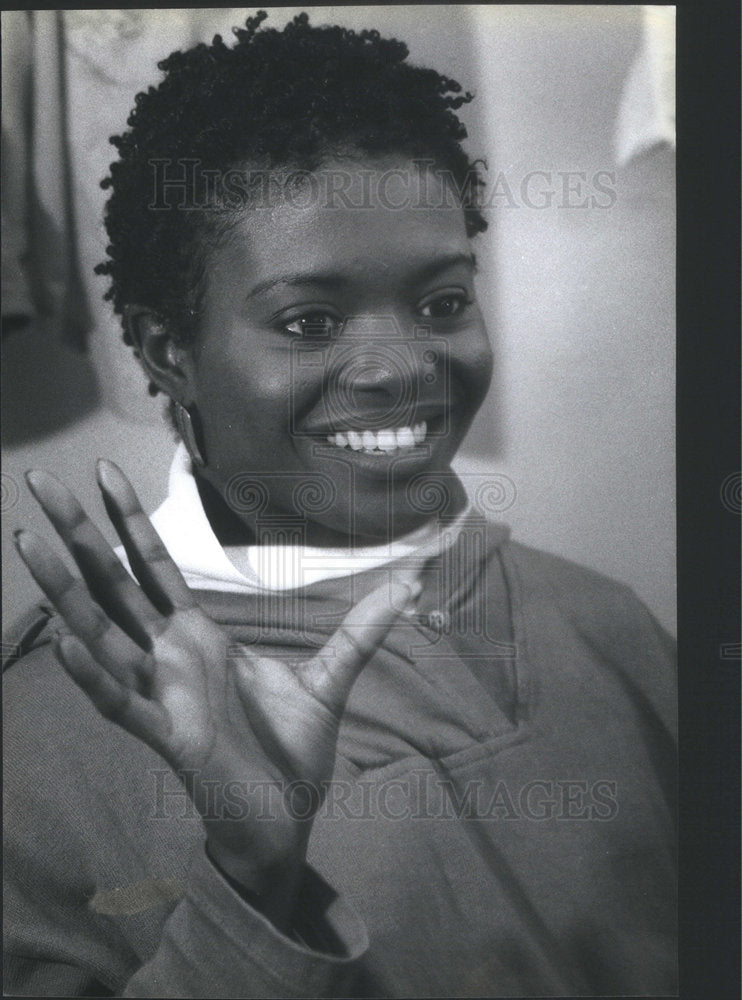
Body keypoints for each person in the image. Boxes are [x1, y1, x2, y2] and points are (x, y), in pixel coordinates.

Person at [3, 12, 677, 997]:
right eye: (308, 319)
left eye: (443, 301)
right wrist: (249, 886)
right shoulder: (43, 740)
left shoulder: (606, 628)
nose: (403, 364)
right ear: (166, 351)